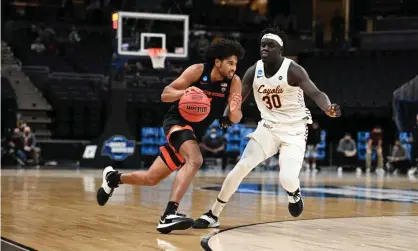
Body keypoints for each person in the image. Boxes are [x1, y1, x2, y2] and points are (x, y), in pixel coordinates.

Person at [193, 27, 341, 229]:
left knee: (287, 178)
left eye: (270, 45)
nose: (265, 48)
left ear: (280, 49)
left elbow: (316, 93)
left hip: (294, 130)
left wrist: (328, 108)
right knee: (241, 167)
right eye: (263, 44)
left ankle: (294, 193)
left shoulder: (293, 69)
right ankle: (213, 214)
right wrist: (228, 113)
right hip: (268, 128)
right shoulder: (254, 70)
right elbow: (239, 96)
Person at [96, 39, 245, 234]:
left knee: (151, 178)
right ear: (218, 62)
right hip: (177, 122)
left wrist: (233, 110)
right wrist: (184, 92)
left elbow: (235, 118)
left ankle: (113, 178)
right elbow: (165, 94)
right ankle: (168, 214)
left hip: (194, 133)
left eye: (235, 63)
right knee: (195, 159)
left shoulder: (234, 82)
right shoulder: (198, 71)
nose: (234, 67)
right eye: (230, 63)